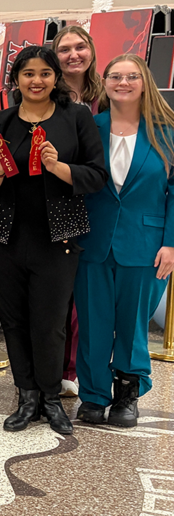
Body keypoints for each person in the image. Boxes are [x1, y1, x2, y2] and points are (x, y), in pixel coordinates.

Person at [0, 46, 107, 436]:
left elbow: (97, 175)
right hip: (5, 237)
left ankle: (51, 399)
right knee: (14, 321)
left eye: (45, 73)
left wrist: (57, 166)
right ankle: (27, 396)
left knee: (50, 323)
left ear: (56, 78)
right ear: (15, 79)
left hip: (58, 238)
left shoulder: (76, 117)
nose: (36, 81)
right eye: (28, 73)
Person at [75, 54, 174, 428]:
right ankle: (94, 396)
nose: (124, 82)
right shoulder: (90, 127)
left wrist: (172, 242)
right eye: (116, 76)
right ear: (105, 82)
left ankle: (128, 393)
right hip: (93, 241)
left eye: (132, 76)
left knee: (133, 323)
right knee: (93, 320)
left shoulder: (167, 131)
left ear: (144, 82)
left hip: (146, 243)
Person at [51, 25, 106, 397]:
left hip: (100, 198)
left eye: (80, 47)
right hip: (58, 201)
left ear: (91, 51)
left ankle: (84, 370)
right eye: (64, 49)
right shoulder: (46, 97)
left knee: (90, 292)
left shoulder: (110, 94)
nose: (73, 54)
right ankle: (58, 368)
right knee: (61, 292)